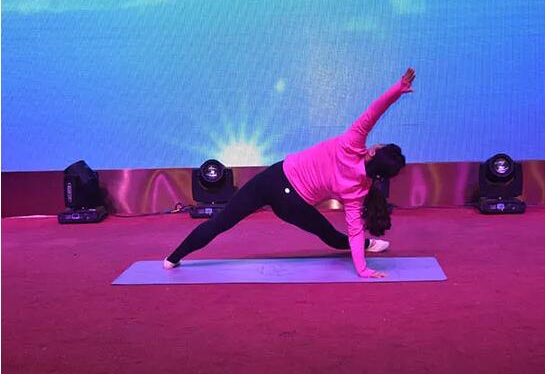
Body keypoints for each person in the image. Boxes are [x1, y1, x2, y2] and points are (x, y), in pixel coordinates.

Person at [164, 68, 416, 278]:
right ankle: (368, 246)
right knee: (330, 236)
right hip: (292, 204)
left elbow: (374, 111)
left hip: (274, 178)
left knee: (221, 222)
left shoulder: (352, 143)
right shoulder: (357, 190)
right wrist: (362, 270)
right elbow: (354, 229)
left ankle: (173, 258)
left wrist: (398, 88)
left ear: (373, 152)